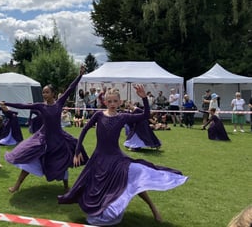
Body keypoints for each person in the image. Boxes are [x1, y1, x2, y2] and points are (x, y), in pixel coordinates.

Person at [58, 85, 188, 226]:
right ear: (105, 102)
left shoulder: (123, 117)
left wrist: (144, 98)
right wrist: (77, 152)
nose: (112, 104)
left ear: (119, 102)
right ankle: (101, 209)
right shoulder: (99, 115)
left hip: (116, 158)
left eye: (115, 101)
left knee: (135, 175)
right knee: (91, 186)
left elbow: (145, 115)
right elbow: (84, 130)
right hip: (99, 158)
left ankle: (153, 207)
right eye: (110, 101)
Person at [0, 65, 89, 193]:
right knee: (30, 159)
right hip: (43, 138)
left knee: (62, 161)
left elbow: (71, 88)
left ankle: (66, 186)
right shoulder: (41, 106)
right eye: (43, 92)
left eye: (47, 92)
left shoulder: (59, 103)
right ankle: (17, 185)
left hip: (58, 139)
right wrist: (6, 103)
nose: (44, 94)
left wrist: (80, 75)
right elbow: (23, 106)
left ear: (53, 93)